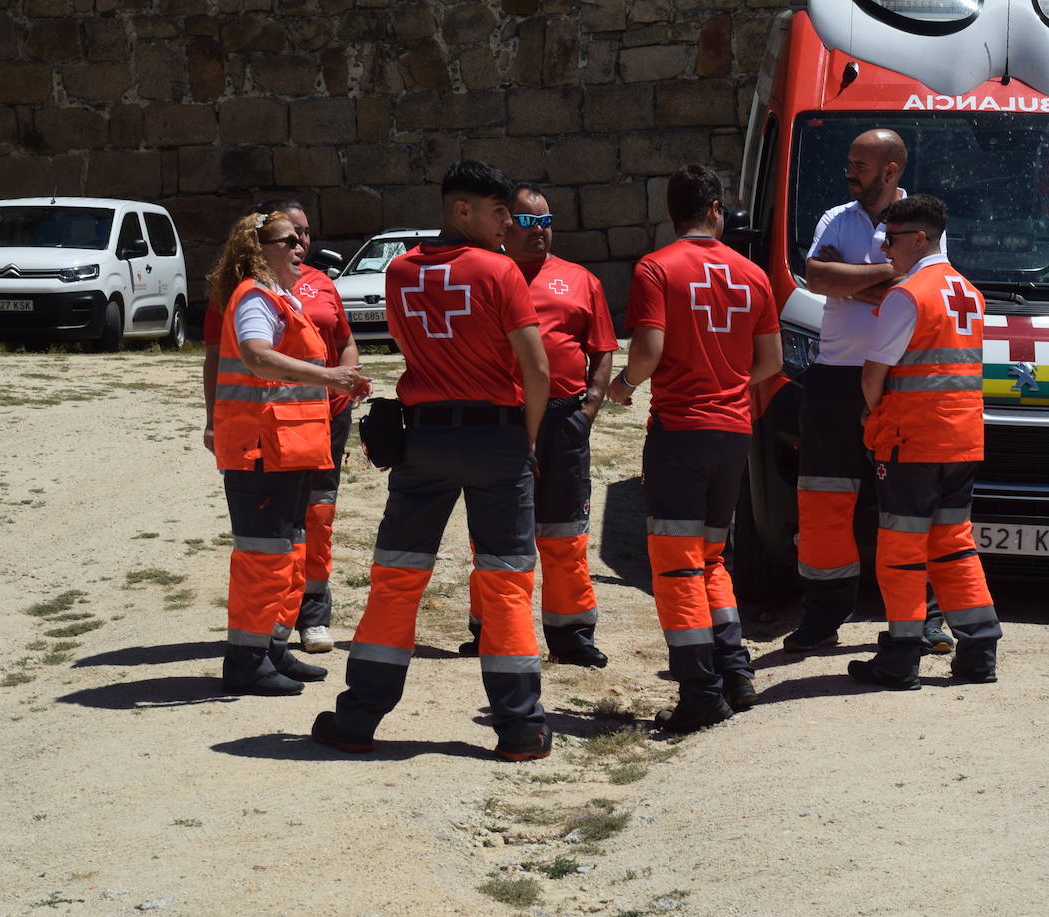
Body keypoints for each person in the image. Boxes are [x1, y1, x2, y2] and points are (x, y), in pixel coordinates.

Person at [311, 160, 554, 761]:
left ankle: (359, 717)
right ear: (461, 211)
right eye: (499, 213)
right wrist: (523, 441)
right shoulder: (500, 271)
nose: (509, 224)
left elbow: (410, 340)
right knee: (504, 583)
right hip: (496, 437)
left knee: (396, 580)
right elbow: (539, 370)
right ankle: (520, 728)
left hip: (424, 441)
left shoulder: (398, 271)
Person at [607, 164, 782, 732]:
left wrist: (625, 385)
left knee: (676, 564)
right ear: (716, 209)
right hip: (733, 430)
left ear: (672, 211)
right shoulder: (752, 273)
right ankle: (736, 670)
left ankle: (700, 693)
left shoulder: (657, 268)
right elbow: (772, 363)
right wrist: (731, 382)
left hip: (681, 430)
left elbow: (650, 346)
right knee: (712, 557)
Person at [785, 128, 954, 656]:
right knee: (823, 502)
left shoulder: (924, 223)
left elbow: (915, 288)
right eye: (849, 162)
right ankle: (822, 615)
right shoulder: (836, 218)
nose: (848, 171)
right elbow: (816, 278)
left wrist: (852, 276)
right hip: (835, 376)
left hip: (897, 378)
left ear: (890, 170)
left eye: (859, 164)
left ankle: (921, 620)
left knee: (905, 506)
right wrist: (881, 275)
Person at [207, 211, 368, 695]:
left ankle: (271, 648)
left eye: (302, 238)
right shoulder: (255, 297)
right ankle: (245, 661)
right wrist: (329, 378)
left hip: (284, 449)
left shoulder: (278, 296)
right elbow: (256, 356)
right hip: (261, 451)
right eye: (288, 240)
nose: (301, 245)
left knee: (286, 551)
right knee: (263, 556)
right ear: (260, 250)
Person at [460, 183, 617, 668]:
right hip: (502, 419)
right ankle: (492, 629)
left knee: (565, 530)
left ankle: (571, 636)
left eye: (546, 222)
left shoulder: (579, 279)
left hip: (563, 419)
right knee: (497, 530)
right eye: (528, 222)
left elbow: (603, 347)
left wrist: (588, 407)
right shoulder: (486, 276)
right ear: (506, 226)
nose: (539, 233)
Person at [849, 194, 1002, 690]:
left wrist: (872, 413)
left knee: (900, 550)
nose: (884, 252)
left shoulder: (908, 294)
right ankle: (978, 650)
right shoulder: (969, 292)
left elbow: (875, 373)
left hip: (911, 442)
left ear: (918, 238)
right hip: (963, 442)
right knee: (954, 545)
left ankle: (900, 658)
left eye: (890, 241)